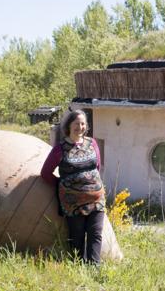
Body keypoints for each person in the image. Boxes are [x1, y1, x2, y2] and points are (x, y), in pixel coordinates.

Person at [40, 109, 105, 264]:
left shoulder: (92, 143)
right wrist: (62, 186)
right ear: (68, 126)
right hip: (73, 202)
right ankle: (78, 267)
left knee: (96, 233)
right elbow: (45, 173)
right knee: (77, 236)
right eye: (77, 124)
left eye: (83, 124)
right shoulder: (60, 149)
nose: (80, 127)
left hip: (96, 199)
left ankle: (94, 268)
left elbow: (97, 166)